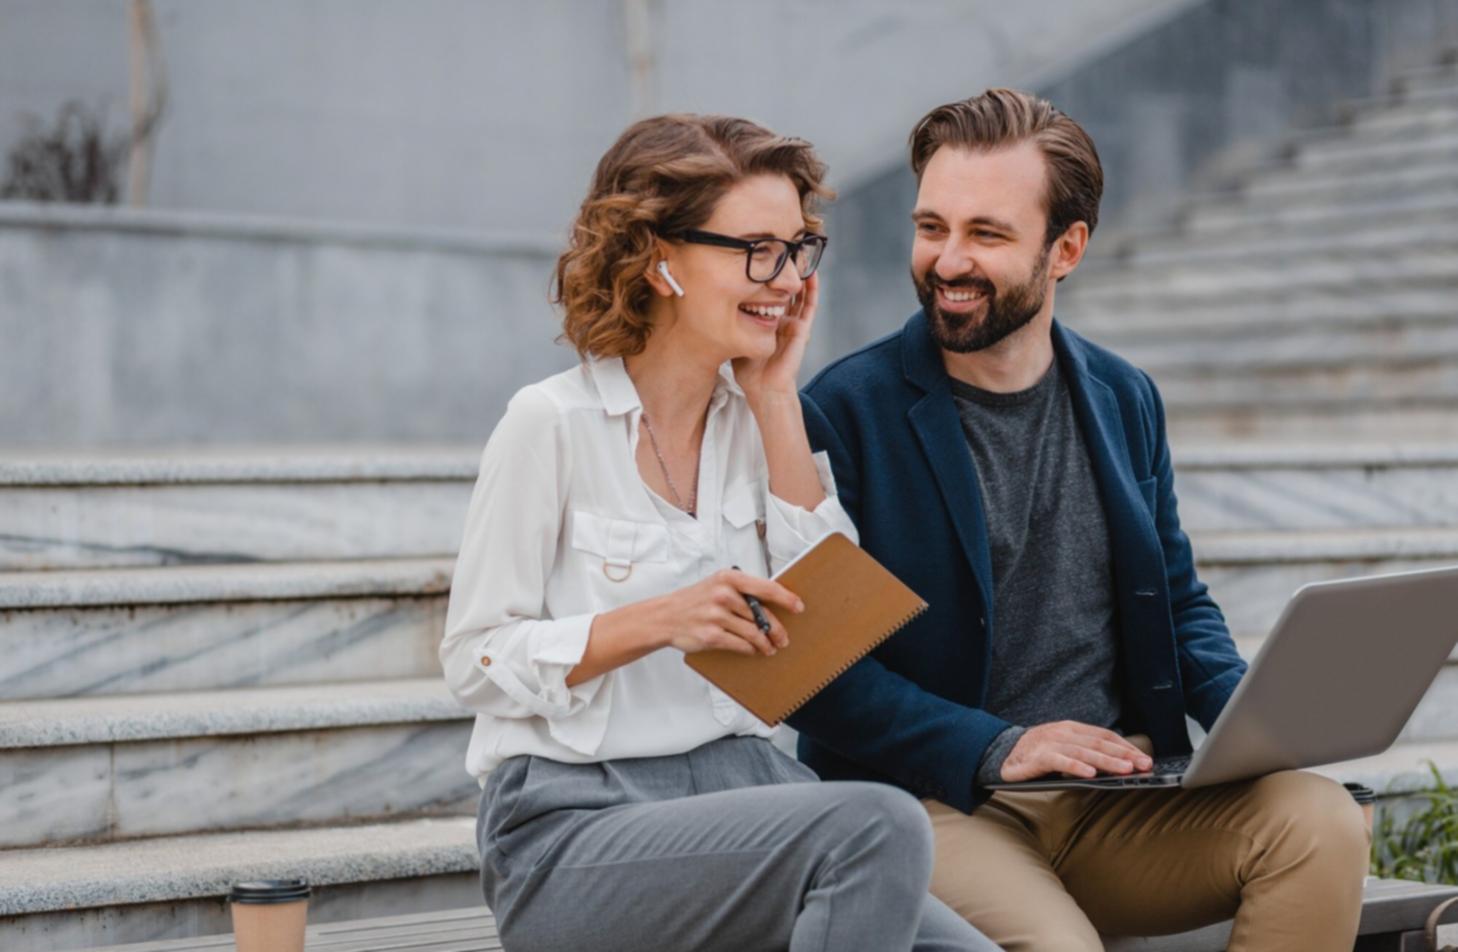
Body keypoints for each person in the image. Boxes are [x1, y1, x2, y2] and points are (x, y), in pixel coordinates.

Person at [787, 88, 1370, 951]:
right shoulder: (843, 411)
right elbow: (820, 676)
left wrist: (1257, 717)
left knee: (1320, 821)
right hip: (935, 806)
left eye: (986, 234)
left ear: (1067, 249)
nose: (947, 261)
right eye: (931, 226)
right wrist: (997, 746)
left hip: (1118, 803)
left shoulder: (1124, 397)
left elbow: (1176, 603)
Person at [440, 113, 998, 952]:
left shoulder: (763, 421)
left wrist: (776, 399)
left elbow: (825, 619)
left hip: (747, 796)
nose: (784, 278)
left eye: (797, 248)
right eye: (755, 248)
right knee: (876, 823)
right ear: (656, 255)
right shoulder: (549, 424)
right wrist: (657, 622)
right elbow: (474, 661)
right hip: (576, 829)